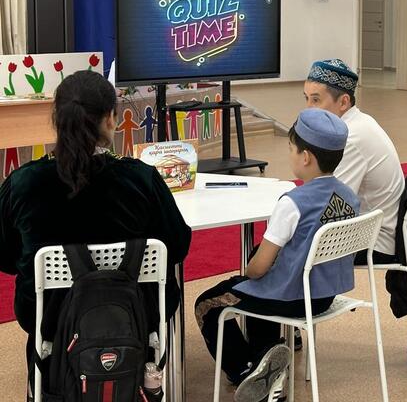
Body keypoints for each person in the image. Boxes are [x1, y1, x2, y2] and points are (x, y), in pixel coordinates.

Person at [0, 71, 192, 395]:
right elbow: (177, 245)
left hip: (49, 319)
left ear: (57, 119)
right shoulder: (141, 179)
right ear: (111, 119)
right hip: (136, 316)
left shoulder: (22, 183)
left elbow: (5, 257)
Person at [194, 108, 359, 400]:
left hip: (291, 299)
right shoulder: (350, 197)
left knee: (209, 302)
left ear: (305, 157)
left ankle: (245, 372)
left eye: (291, 148)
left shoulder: (293, 203)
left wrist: (248, 272)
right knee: (261, 288)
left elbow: (258, 268)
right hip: (324, 295)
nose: (290, 154)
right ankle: (266, 357)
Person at [303, 59, 403, 264]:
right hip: (367, 228)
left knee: (280, 251)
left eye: (316, 100)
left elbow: (332, 204)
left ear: (343, 102)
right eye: (306, 99)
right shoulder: (358, 122)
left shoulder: (350, 138)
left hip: (374, 241)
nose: (308, 109)